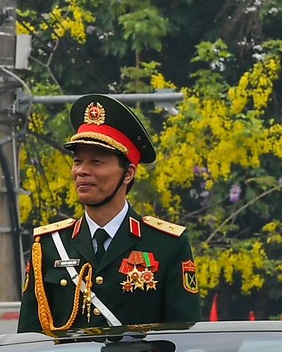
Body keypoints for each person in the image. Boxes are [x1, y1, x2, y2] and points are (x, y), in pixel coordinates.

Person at [18, 94, 203, 334]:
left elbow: (184, 339)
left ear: (128, 174)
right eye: (77, 161)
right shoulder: (49, 245)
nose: (82, 171)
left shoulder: (166, 244)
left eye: (96, 162)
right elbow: (29, 339)